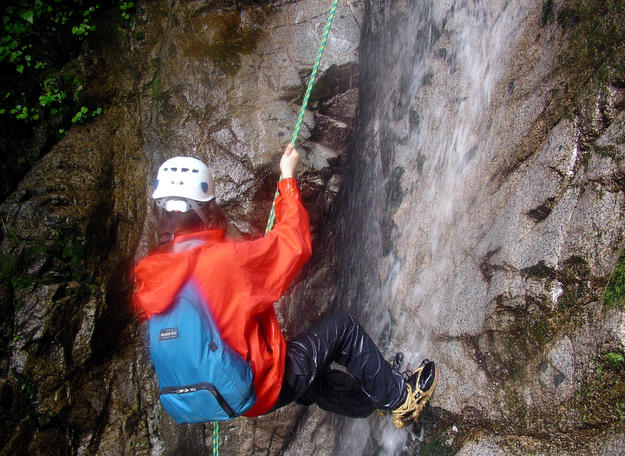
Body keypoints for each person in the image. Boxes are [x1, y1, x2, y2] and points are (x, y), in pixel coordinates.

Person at [134, 144, 437, 428]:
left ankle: (369, 402)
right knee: (344, 330)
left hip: (232, 395)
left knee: (311, 377)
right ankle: (400, 399)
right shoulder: (221, 262)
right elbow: (292, 246)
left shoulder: (154, 273)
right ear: (206, 209)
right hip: (263, 383)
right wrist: (288, 178)